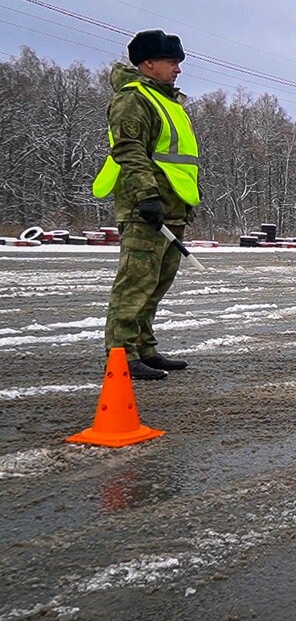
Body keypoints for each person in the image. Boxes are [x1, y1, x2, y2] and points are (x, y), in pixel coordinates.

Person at [92, 30, 201, 380]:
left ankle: (144, 347)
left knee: (157, 282)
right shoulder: (132, 99)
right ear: (148, 63)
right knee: (135, 281)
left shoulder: (168, 101)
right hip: (145, 208)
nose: (178, 70)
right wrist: (146, 196)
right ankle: (121, 353)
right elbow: (129, 150)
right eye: (173, 63)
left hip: (172, 206)